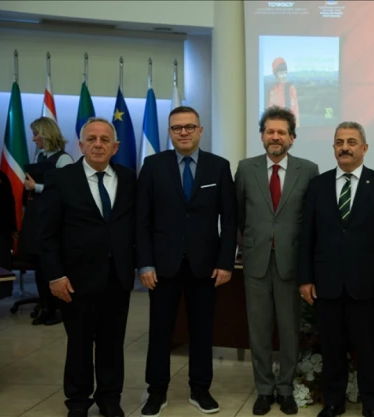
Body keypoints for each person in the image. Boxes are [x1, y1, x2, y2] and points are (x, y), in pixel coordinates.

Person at [137, 106, 237, 416]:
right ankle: (156, 392)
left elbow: (229, 219)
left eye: (189, 127)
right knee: (160, 331)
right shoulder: (153, 166)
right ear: (169, 132)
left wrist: (225, 262)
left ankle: (200, 389)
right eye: (177, 127)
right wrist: (145, 263)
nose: (183, 132)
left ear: (200, 130)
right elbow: (142, 220)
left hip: (205, 266)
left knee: (202, 330)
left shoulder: (218, 167)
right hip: (162, 266)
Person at [38, 117, 136, 417]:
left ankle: (109, 399)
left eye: (105, 139)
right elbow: (47, 234)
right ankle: (78, 402)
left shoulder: (129, 178)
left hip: (117, 277)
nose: (98, 144)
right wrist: (55, 275)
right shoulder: (61, 179)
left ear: (115, 147)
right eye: (91, 139)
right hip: (75, 280)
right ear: (80, 145)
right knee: (79, 344)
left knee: (112, 343)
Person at [297, 122, 374, 417]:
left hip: (366, 286)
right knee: (331, 347)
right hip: (326, 283)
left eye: (351, 142)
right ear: (333, 148)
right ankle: (333, 402)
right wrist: (305, 279)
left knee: (367, 348)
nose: (345, 147)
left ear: (364, 148)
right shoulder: (318, 185)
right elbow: (307, 236)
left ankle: (372, 404)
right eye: (339, 142)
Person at [235, 106, 318, 415]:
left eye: (282, 132)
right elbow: (238, 215)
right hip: (256, 262)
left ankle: (285, 389)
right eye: (270, 131)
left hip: (291, 263)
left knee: (289, 330)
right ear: (261, 136)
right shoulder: (246, 169)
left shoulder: (308, 170)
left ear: (291, 138)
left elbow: (311, 219)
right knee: (258, 330)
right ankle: (264, 389)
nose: (275, 137)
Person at [19, 117, 74, 325]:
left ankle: (56, 309)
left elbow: (66, 190)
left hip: (52, 218)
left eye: (36, 134)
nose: (33, 139)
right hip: (36, 217)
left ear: (46, 134)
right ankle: (44, 306)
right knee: (38, 266)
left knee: (49, 265)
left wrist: (36, 187)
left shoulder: (64, 159)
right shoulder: (40, 156)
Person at [0, 146, 16, 302]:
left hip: (0, 231)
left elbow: (10, 204)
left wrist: (13, 228)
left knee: (0, 264)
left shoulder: (1, 177)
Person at [267, 57, 300, 126]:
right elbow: (269, 110)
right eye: (281, 73)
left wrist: (295, 127)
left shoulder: (290, 88)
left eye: (285, 73)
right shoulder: (272, 89)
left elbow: (295, 111)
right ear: (276, 74)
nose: (284, 76)